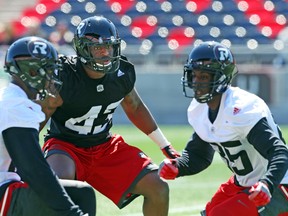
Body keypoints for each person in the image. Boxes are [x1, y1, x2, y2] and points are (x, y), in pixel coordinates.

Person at [39, 16, 180, 216]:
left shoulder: (122, 72)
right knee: (60, 186)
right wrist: (20, 155)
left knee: (157, 187)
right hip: (65, 147)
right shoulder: (64, 75)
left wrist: (164, 144)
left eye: (109, 46)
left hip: (105, 146)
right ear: (82, 49)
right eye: (97, 48)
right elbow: (40, 116)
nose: (105, 53)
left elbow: (134, 106)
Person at [158, 41, 288, 216]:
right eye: (194, 75)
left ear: (221, 77)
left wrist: (267, 184)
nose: (196, 82)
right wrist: (178, 166)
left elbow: (279, 152)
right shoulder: (199, 109)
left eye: (204, 77)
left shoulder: (241, 108)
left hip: (278, 183)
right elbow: (199, 155)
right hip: (245, 182)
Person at [0, 36, 96, 216]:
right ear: (33, 72)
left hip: (6, 184)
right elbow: (34, 170)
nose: (53, 77)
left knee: (80, 191)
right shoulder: (16, 106)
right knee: (80, 196)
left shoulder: (11, 98)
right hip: (2, 192)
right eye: (49, 70)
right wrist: (71, 212)